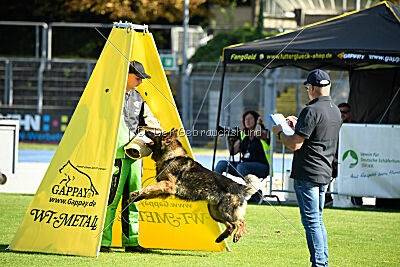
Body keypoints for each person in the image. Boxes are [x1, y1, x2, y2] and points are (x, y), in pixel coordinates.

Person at [272, 69, 341, 266]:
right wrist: (297, 126)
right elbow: (316, 136)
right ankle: (322, 261)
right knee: (317, 221)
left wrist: (279, 132)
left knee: (311, 222)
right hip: (324, 171)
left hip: (308, 172)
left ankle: (320, 263)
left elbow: (295, 144)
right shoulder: (335, 110)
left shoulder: (311, 110)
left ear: (310, 88)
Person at [100, 61, 161, 253]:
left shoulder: (138, 97)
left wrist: (155, 128)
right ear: (126, 74)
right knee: (111, 199)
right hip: (115, 155)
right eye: (137, 77)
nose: (141, 82)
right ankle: (102, 242)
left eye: (142, 78)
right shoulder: (108, 94)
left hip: (135, 156)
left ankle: (131, 242)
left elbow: (150, 120)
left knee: (133, 199)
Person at [215, 110, 270, 179]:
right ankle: (215, 185)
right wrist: (228, 137)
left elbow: (257, 133)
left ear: (256, 120)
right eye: (245, 119)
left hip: (262, 167)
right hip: (243, 166)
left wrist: (259, 123)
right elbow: (233, 152)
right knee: (221, 164)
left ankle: (253, 188)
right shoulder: (243, 136)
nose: (247, 121)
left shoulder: (265, 133)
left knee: (241, 166)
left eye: (250, 119)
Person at [336, 102, 362, 207]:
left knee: (357, 175)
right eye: (339, 112)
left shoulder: (357, 126)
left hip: (353, 162)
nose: (342, 114)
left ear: (350, 113)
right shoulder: (332, 126)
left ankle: (357, 203)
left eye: (345, 112)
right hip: (335, 162)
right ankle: (326, 200)